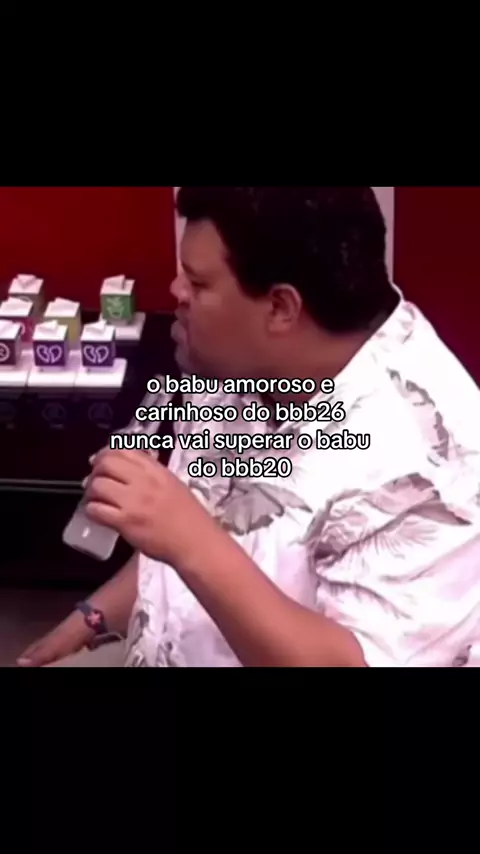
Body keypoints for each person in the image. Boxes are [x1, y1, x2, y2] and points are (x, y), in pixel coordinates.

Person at [17, 186, 480, 668]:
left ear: (280, 307)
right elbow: (186, 527)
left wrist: (191, 539)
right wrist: (92, 618)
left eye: (198, 283)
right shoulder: (238, 362)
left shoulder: (427, 464)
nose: (176, 292)